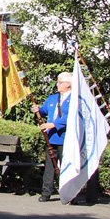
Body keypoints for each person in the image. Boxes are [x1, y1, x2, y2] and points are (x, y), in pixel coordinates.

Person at [31, 72, 72, 203]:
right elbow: (44, 111)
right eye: (57, 82)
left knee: (66, 167)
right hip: (51, 138)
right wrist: (37, 110)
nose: (57, 84)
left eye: (60, 82)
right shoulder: (52, 98)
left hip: (65, 138)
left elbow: (70, 117)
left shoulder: (74, 100)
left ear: (68, 85)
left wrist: (53, 124)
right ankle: (46, 192)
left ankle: (69, 193)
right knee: (49, 167)